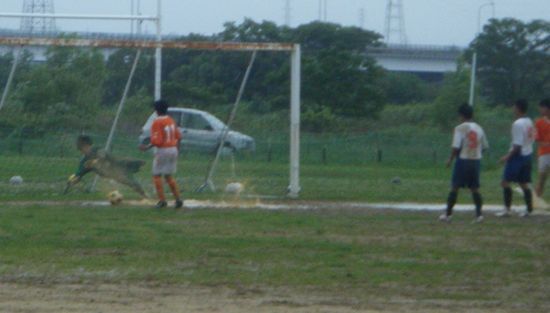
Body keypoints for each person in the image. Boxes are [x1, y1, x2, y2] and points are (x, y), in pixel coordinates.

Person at [439, 104, 488, 223]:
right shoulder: (479, 128)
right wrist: (476, 152)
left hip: (463, 160)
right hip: (475, 160)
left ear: (461, 115)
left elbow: (456, 147)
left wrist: (450, 159)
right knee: (475, 188)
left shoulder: (460, 128)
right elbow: (485, 146)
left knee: (455, 187)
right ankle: (479, 215)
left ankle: (448, 214)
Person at [66, 135, 147, 198]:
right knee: (129, 182)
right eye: (81, 149)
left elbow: (104, 156)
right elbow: (80, 172)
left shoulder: (98, 150)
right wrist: (75, 178)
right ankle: (144, 194)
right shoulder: (85, 161)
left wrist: (95, 161)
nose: (83, 151)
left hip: (118, 167)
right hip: (113, 174)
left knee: (129, 177)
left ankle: (145, 195)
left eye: (84, 148)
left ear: (88, 145)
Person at [140, 100, 183, 209]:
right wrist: (177, 149)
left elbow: (157, 141)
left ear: (156, 110)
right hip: (173, 149)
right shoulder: (171, 120)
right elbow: (179, 136)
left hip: (163, 150)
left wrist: (147, 147)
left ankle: (162, 201)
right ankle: (178, 199)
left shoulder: (157, 122)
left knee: (157, 175)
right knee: (168, 176)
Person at [497, 99, 535, 218]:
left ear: (518, 108)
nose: (513, 109)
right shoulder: (529, 121)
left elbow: (517, 146)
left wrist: (507, 157)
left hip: (518, 156)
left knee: (504, 182)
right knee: (523, 183)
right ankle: (529, 209)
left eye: (514, 107)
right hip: (528, 154)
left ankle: (507, 209)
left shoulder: (517, 124)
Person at [534, 99, 550, 199]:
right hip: (544, 153)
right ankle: (536, 200)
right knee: (542, 178)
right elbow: (537, 139)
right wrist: (545, 144)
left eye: (542, 107)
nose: (540, 110)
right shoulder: (539, 123)